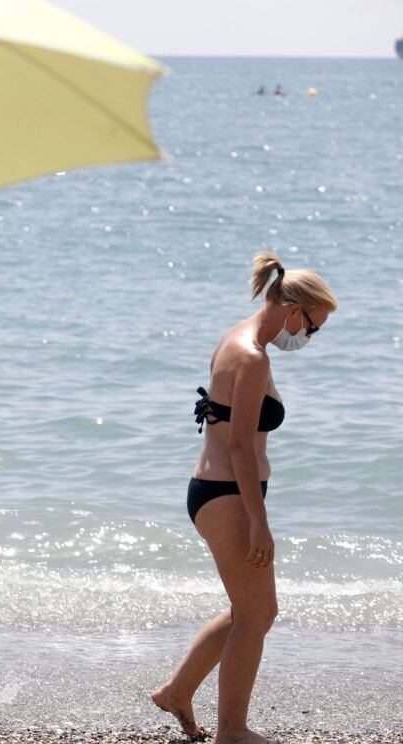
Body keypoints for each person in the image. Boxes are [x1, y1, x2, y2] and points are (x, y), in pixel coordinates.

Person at [152, 253, 337, 743]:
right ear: (294, 310)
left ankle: (177, 691)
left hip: (219, 490)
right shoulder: (253, 357)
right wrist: (260, 522)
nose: (309, 338)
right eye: (313, 328)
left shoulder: (238, 337)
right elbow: (238, 444)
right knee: (257, 614)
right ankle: (232, 731)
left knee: (249, 609)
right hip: (228, 493)